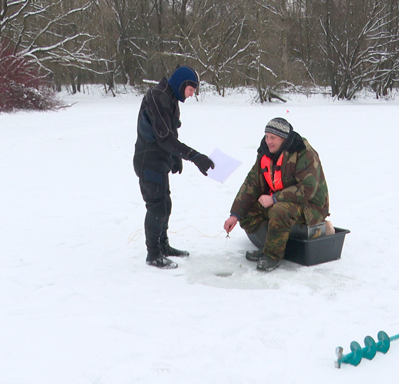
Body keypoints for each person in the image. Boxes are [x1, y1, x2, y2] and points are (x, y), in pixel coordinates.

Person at [134, 66, 215, 269]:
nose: (191, 94)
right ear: (182, 84)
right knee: (156, 206)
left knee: (165, 203)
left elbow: (171, 132)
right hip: (148, 159)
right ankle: (153, 254)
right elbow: (164, 137)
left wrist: (175, 156)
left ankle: (163, 246)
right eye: (191, 89)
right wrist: (193, 156)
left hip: (160, 158)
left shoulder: (170, 99)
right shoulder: (157, 96)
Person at [223, 118, 329, 271]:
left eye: (273, 138)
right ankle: (271, 246)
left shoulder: (303, 152)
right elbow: (252, 183)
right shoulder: (265, 153)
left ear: (284, 138)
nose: (268, 141)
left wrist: (274, 198)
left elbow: (307, 188)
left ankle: (272, 256)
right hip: (281, 201)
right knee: (248, 213)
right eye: (266, 136)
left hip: (310, 206)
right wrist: (235, 214)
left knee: (279, 210)